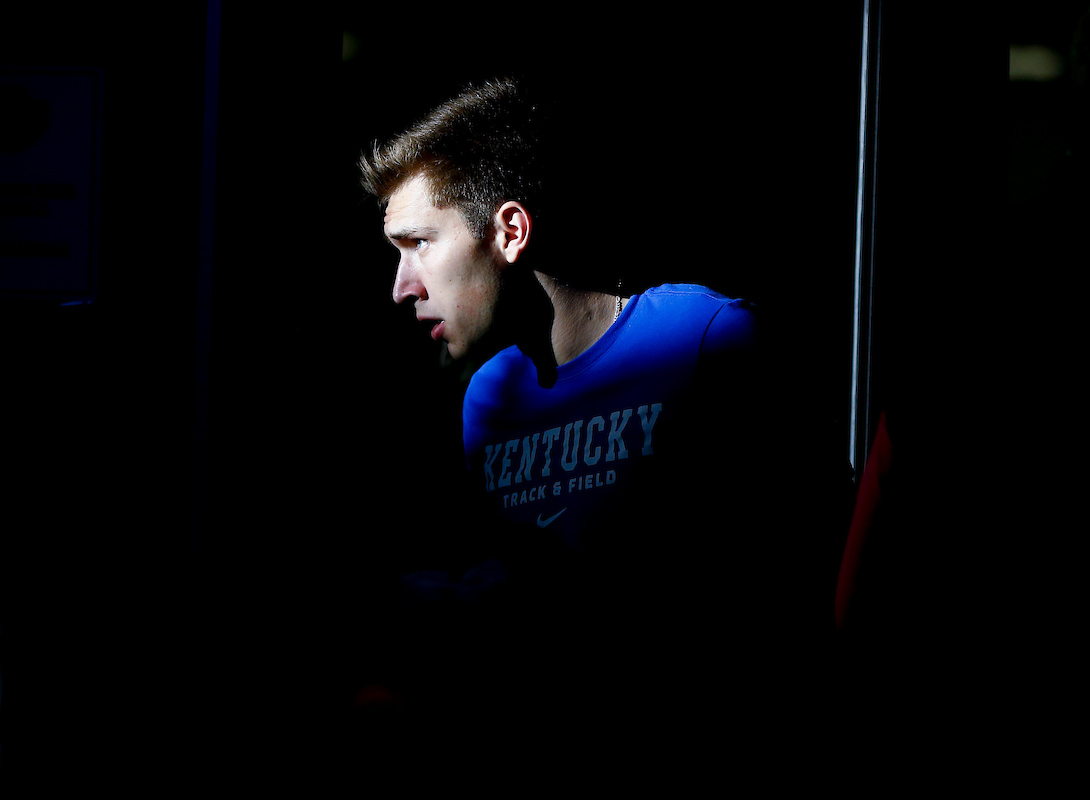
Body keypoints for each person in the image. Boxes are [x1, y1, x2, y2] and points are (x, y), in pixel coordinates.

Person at [358, 77, 848, 751]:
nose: (400, 287)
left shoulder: (705, 341)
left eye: (419, 243)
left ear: (510, 231)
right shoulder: (487, 401)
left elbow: (810, 580)